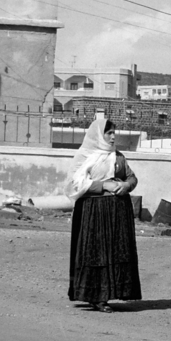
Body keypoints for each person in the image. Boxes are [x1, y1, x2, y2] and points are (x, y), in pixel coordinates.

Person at [65, 116, 141, 312]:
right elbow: (75, 184)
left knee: (115, 251)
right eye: (109, 133)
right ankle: (96, 296)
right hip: (94, 211)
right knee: (96, 253)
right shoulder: (85, 156)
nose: (113, 137)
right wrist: (103, 185)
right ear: (98, 134)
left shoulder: (119, 156)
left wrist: (126, 185)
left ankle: (113, 292)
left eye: (114, 132)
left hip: (118, 211)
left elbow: (131, 177)